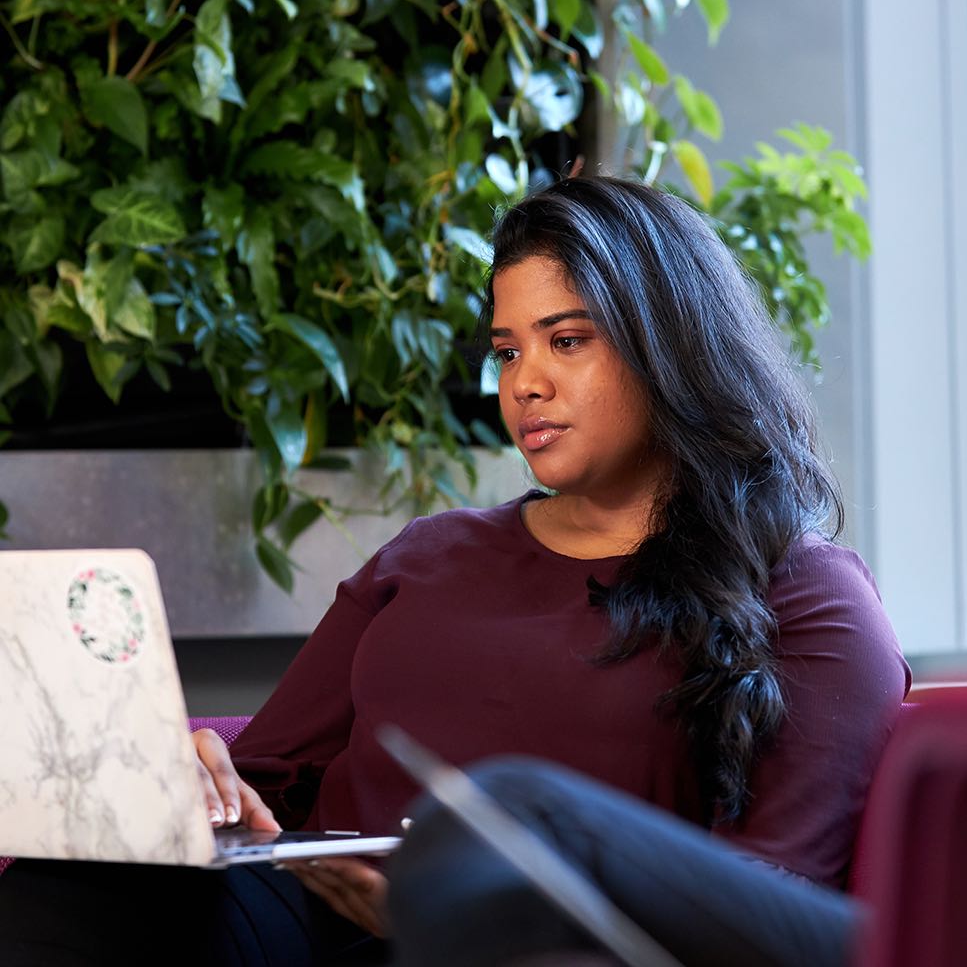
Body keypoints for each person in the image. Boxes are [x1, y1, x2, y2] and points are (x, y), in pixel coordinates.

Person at [0, 177, 909, 966]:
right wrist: (195, 780)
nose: (525, 384)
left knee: (515, 817)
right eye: (509, 351)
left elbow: (772, 904)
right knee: (75, 888)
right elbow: (264, 781)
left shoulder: (807, 593)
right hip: (311, 923)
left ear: (669, 343)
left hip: (546, 949)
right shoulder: (428, 556)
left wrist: (454, 907)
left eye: (568, 340)